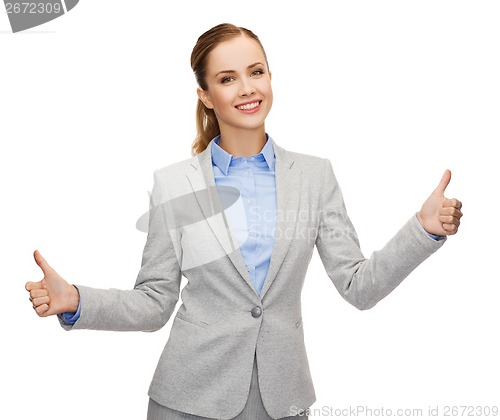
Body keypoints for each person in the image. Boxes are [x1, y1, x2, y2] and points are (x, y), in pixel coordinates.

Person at [25, 23, 463, 420]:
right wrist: (78, 300)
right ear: (205, 95)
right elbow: (156, 301)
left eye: (256, 72)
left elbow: (358, 285)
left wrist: (422, 230)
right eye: (226, 79)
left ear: (271, 78)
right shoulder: (174, 183)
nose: (246, 88)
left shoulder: (315, 176)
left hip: (283, 401)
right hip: (187, 400)